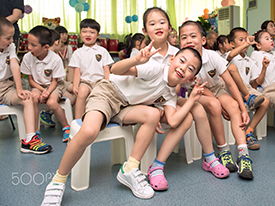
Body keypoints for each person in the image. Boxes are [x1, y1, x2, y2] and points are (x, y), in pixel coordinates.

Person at [41, 43, 205, 204]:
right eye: (182, 61)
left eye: (191, 69)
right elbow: (115, 70)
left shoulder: (169, 93)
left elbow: (173, 120)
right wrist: (137, 60)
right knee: (90, 131)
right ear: (172, 59)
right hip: (108, 94)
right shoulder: (154, 68)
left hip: (126, 106)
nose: (184, 68)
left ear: (192, 78)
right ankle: (57, 181)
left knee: (154, 114)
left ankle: (129, 169)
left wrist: (191, 100)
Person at [141, 7, 229, 191]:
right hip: (148, 100)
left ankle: (209, 157)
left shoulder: (179, 52)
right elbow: (139, 87)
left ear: (170, 28)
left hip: (169, 99)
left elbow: (180, 87)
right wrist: (154, 110)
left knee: (196, 108)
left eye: (162, 22)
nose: (158, 26)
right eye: (152, 23)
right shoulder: (143, 54)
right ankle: (157, 165)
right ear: (145, 30)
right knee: (187, 116)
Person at [179, 20, 254, 179]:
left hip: (216, 88)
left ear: (203, 40)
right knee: (214, 105)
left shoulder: (212, 56)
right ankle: (224, 151)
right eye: (184, 37)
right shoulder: (182, 61)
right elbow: (199, 88)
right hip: (196, 93)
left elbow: (231, 84)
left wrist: (242, 109)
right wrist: (220, 105)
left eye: (193, 36)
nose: (189, 40)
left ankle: (243, 155)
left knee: (233, 106)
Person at [0, 16, 51, 154]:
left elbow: (14, 65)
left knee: (27, 97)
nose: (11, 41)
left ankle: (29, 140)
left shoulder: (10, 47)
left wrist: (19, 89)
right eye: (8, 37)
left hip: (5, 88)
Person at [20, 26, 72, 142]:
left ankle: (66, 127)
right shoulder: (27, 57)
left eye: (33, 45)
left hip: (54, 85)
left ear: (46, 47)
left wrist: (48, 92)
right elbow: (31, 80)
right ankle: (35, 131)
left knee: (52, 102)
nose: (29, 48)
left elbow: (55, 81)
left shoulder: (55, 59)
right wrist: (43, 91)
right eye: (28, 43)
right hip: (37, 85)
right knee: (33, 98)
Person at [226, 27, 270, 150]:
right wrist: (246, 43)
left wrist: (264, 68)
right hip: (231, 90)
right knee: (233, 68)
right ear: (232, 44)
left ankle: (249, 132)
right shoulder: (230, 56)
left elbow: (256, 83)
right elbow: (230, 55)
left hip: (247, 88)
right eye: (241, 40)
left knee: (265, 101)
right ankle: (248, 97)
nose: (246, 42)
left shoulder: (249, 61)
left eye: (247, 39)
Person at [68, 19, 114, 119]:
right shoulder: (78, 52)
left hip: (100, 82)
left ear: (97, 35)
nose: (88, 35)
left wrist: (108, 83)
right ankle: (78, 120)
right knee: (82, 92)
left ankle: (96, 119)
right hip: (85, 82)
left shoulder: (102, 51)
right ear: (80, 33)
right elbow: (77, 71)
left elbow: (107, 70)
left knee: (100, 96)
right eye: (84, 31)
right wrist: (76, 85)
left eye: (92, 32)